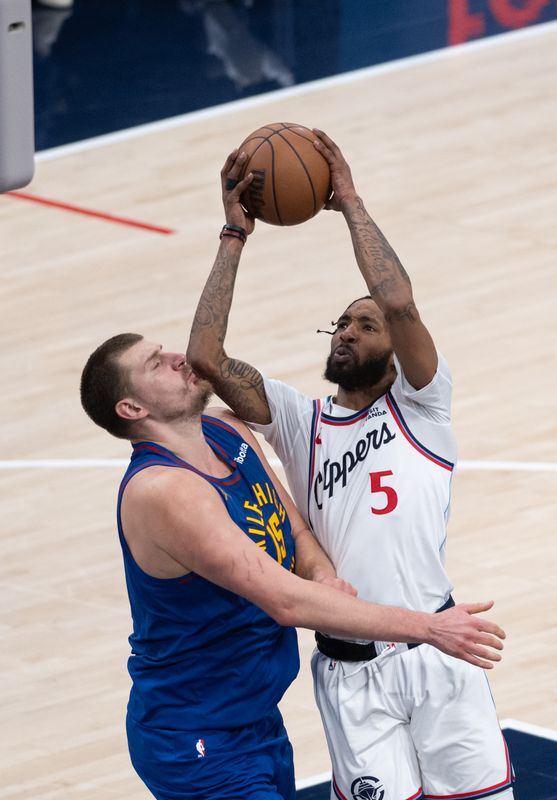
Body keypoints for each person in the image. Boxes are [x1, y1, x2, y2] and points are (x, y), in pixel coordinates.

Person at [186, 131, 515, 800]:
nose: (347, 330)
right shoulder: (298, 419)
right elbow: (206, 359)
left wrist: (351, 204)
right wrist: (232, 236)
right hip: (350, 673)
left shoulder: (423, 407)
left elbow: (398, 300)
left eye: (364, 325)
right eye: (340, 322)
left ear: (397, 351)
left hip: (437, 650)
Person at [79, 333, 505, 800]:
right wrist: (430, 628)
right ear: (131, 409)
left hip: (256, 719)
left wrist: (322, 574)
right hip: (194, 737)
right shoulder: (163, 492)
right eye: (156, 363)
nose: (181, 359)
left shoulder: (228, 430)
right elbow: (284, 599)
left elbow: (295, 530)